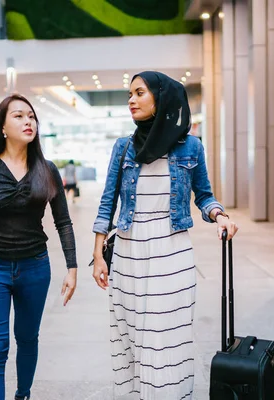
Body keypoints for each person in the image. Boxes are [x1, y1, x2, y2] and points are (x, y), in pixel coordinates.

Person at [91, 71, 238, 399]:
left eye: (140, 93)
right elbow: (107, 202)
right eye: (129, 94)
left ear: (162, 98)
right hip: (129, 252)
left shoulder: (192, 147)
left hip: (172, 253)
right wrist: (99, 254)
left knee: (166, 337)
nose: (131, 100)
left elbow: (204, 195)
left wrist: (220, 216)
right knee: (131, 338)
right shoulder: (123, 147)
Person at [0, 94, 78, 400]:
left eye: (32, 117)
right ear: (2, 127)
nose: (28, 122)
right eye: (19, 116)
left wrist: (72, 268)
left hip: (35, 268)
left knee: (27, 339)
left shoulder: (47, 169)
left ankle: (23, 394)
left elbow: (63, 221)